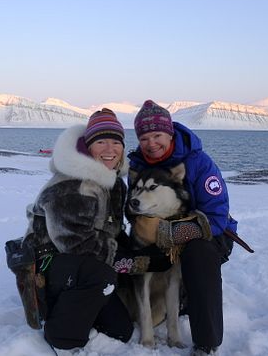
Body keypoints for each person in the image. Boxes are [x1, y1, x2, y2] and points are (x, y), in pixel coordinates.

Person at [22, 108, 171, 351]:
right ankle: (61, 335)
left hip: (85, 267)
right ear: (87, 146)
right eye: (101, 142)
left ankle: (84, 306)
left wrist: (141, 252)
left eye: (116, 142)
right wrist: (135, 262)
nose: (109, 149)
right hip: (49, 264)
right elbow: (75, 243)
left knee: (120, 331)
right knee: (101, 274)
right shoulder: (72, 184)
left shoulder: (111, 181)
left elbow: (112, 231)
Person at [127, 100, 239, 355]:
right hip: (154, 232)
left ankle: (206, 342)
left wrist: (176, 234)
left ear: (170, 133)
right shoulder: (137, 165)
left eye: (157, 135)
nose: (151, 143)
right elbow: (132, 207)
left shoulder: (199, 163)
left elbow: (217, 216)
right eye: (144, 138)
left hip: (209, 233)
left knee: (197, 255)